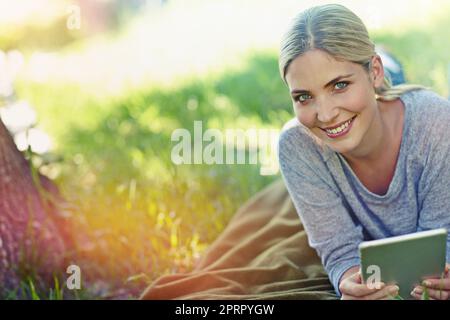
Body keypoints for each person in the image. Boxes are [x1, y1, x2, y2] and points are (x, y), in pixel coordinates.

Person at [277, 4, 450, 300]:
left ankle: (391, 64)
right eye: (304, 96)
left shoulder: (436, 123)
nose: (326, 114)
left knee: (396, 84)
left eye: (339, 85)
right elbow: (339, 251)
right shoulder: (297, 143)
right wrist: (351, 282)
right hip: (373, 95)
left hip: (398, 102)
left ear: (373, 71)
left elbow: (440, 242)